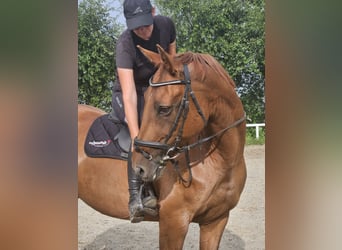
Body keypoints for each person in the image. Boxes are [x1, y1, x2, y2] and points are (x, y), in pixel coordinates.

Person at [110, 0, 176, 223]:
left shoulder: (167, 26)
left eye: (146, 25)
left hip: (154, 89)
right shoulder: (125, 43)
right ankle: (136, 195)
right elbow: (128, 94)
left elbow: (172, 67)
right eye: (137, 27)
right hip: (129, 92)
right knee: (139, 132)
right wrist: (137, 135)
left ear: (154, 13)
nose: (143, 31)